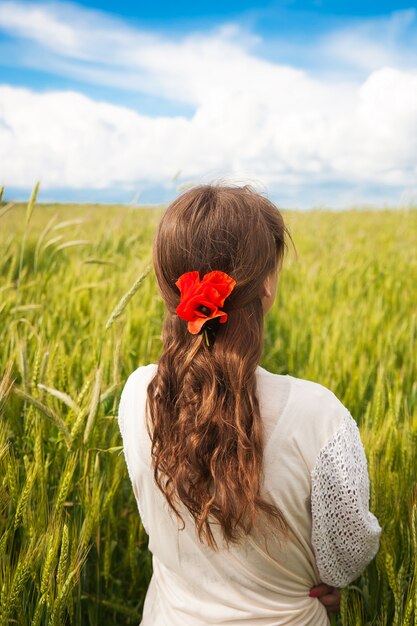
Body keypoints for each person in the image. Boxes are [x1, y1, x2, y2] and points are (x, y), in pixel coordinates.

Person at [118, 183, 382, 625]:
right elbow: (347, 554)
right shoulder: (320, 416)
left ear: (169, 288)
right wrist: (325, 582)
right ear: (266, 286)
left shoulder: (137, 394)